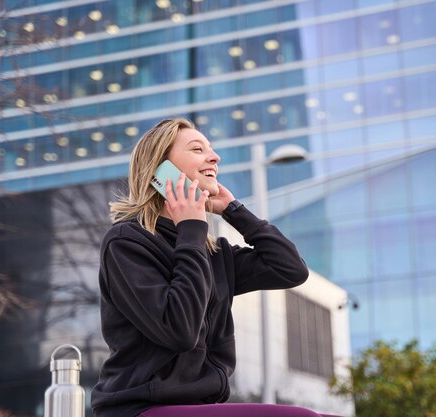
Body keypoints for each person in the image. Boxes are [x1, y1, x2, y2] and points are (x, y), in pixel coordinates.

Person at [91, 118, 342, 417]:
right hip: (141, 408)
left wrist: (234, 210)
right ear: (161, 169)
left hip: (203, 408)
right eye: (198, 149)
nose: (214, 157)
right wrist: (192, 229)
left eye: (211, 149)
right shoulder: (126, 243)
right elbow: (179, 332)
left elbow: (290, 269)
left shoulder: (213, 252)